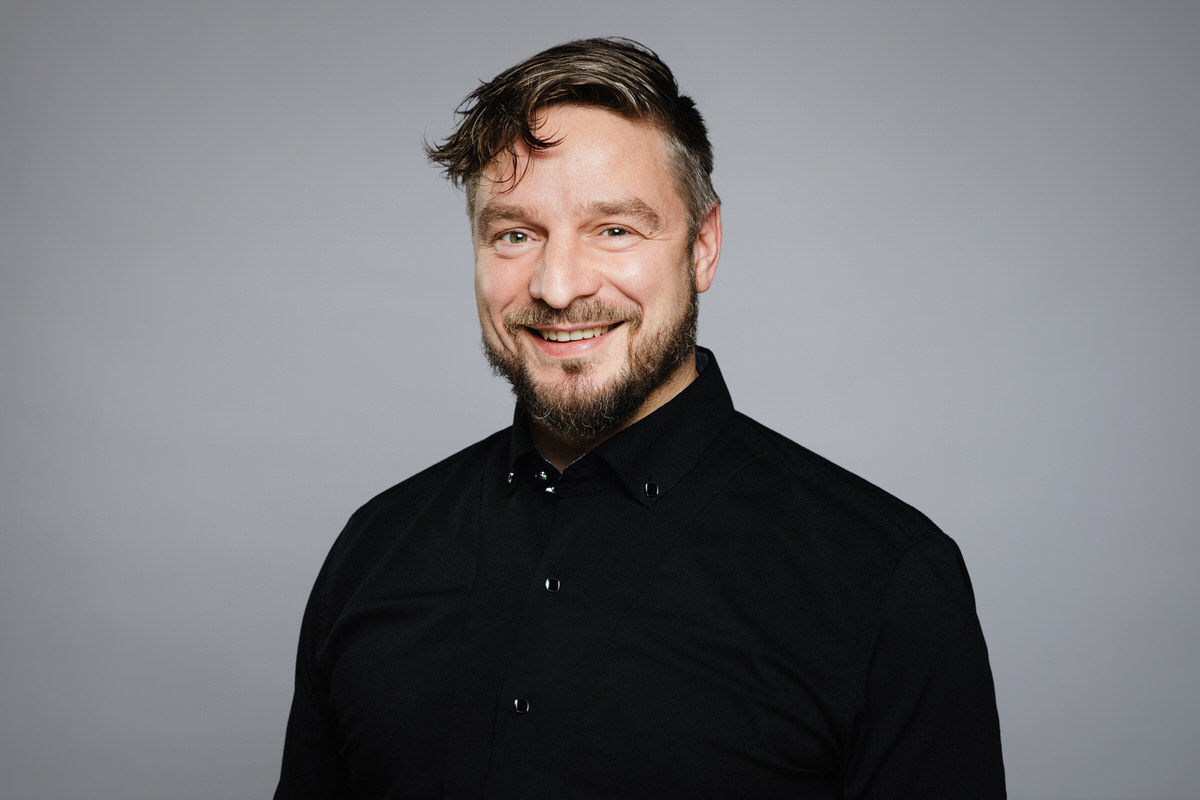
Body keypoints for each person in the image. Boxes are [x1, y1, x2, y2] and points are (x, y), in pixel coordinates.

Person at [274, 37, 1005, 799]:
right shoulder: (375, 548)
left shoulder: (883, 577)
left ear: (703, 247)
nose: (558, 287)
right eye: (515, 234)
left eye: (614, 229)